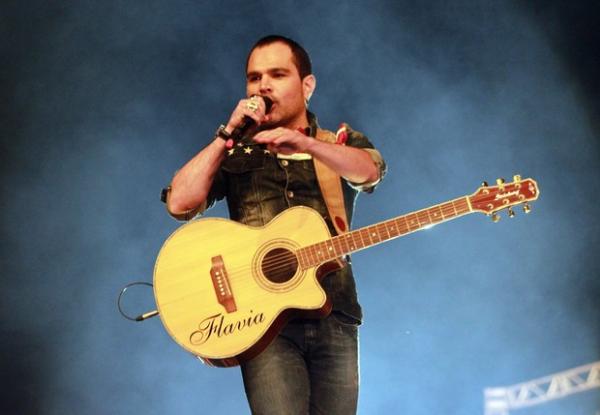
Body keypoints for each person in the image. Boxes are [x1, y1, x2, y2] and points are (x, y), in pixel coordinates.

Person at [162, 35, 386, 415]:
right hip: (263, 324)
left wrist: (309, 146)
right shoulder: (236, 151)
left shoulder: (338, 142)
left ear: (307, 86)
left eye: (277, 74)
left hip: (336, 314)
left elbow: (368, 172)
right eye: (253, 78)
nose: (262, 85)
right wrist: (227, 134)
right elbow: (179, 202)